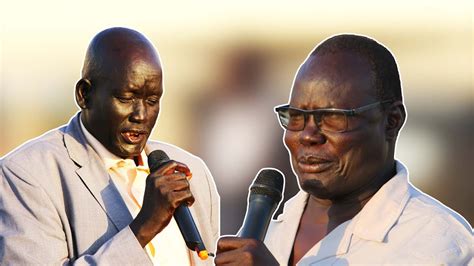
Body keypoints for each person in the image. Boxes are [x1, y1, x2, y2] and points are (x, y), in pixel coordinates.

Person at [215, 34, 473, 265]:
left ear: (391, 121)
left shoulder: (439, 245)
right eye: (296, 116)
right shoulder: (268, 235)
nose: (307, 136)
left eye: (333, 118)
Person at [0, 27, 219, 265]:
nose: (141, 115)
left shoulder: (193, 173)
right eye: (126, 98)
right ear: (84, 95)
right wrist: (144, 227)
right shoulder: (27, 173)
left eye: (152, 101)